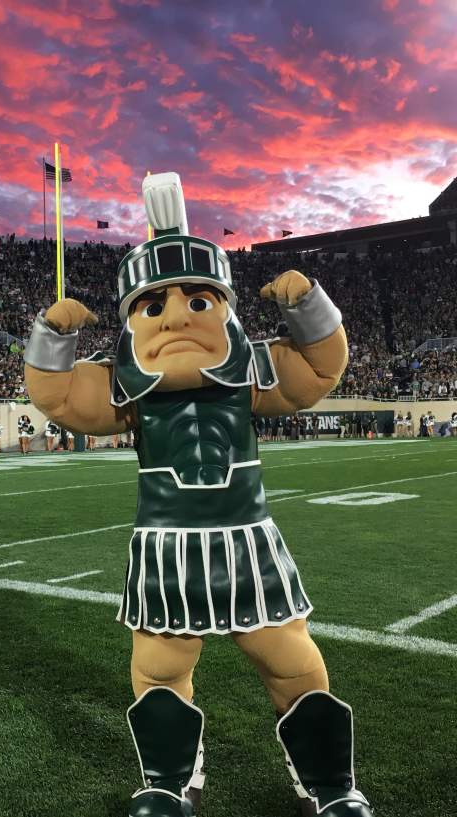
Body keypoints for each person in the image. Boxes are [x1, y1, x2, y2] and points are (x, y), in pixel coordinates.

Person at [24, 172, 374, 817]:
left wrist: (309, 308)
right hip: (168, 548)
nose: (178, 316)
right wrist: (52, 334)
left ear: (226, 309)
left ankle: (328, 784)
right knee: (159, 669)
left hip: (245, 542)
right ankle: (169, 780)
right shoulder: (126, 388)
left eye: (198, 300)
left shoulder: (250, 373)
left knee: (290, 660)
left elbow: (319, 369)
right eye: (153, 307)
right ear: (132, 321)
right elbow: (60, 398)